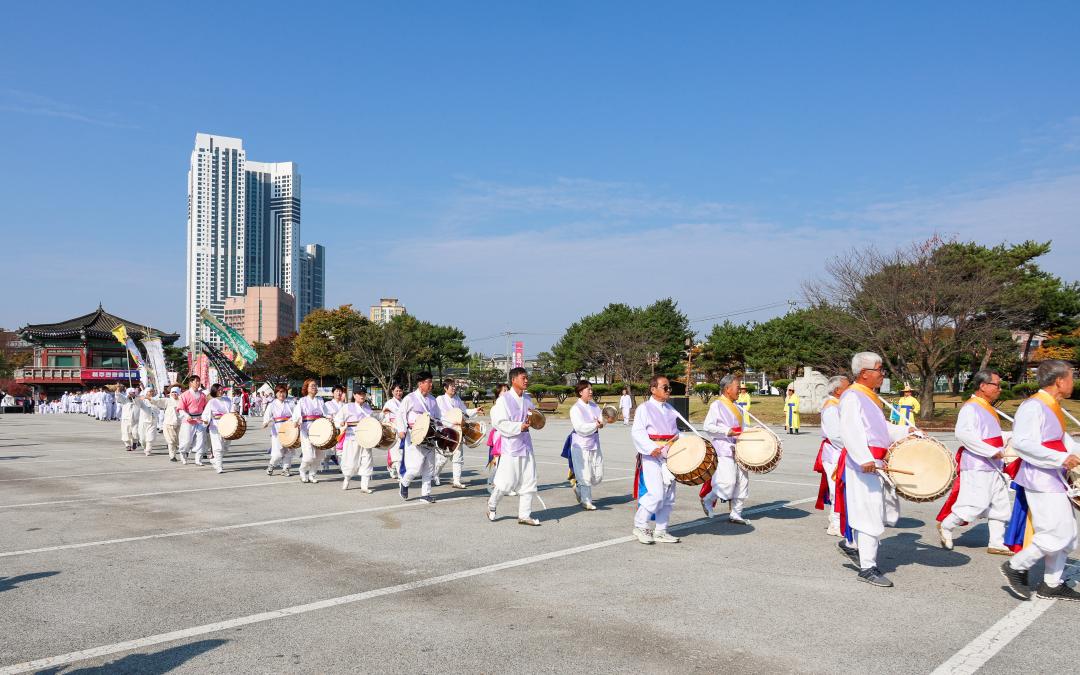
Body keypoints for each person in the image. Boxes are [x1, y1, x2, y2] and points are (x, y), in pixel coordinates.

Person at [1000, 360, 1080, 600]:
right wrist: (1062, 458)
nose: (1073, 382)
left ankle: (1051, 584)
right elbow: (1023, 443)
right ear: (1059, 381)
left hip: (1053, 477)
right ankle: (1016, 566)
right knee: (1057, 533)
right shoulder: (1033, 406)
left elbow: (1063, 442)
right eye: (1071, 377)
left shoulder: (1051, 406)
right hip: (1040, 479)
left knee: (1067, 533)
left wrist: (1069, 455)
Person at [834, 352, 914, 588]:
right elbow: (850, 430)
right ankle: (867, 567)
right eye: (879, 369)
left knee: (882, 512)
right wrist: (863, 458)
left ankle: (851, 545)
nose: (882, 373)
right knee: (869, 513)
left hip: (877, 464)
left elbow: (880, 429)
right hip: (864, 465)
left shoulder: (869, 397)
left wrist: (904, 432)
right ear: (864, 373)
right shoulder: (852, 396)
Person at [935, 370, 1013, 554]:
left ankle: (996, 542)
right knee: (975, 504)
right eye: (997, 385)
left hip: (994, 465)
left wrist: (1009, 438)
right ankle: (946, 525)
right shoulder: (970, 408)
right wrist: (991, 451)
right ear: (983, 386)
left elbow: (990, 436)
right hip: (978, 464)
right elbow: (963, 435)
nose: (1000, 389)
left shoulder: (986, 407)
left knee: (1000, 504)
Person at [630, 375, 681, 545]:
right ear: (653, 389)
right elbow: (637, 432)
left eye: (669, 388)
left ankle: (661, 530)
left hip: (670, 456)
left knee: (669, 496)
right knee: (657, 493)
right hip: (651, 456)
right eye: (665, 387)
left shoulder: (671, 409)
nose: (668, 390)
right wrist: (651, 448)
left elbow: (676, 433)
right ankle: (640, 525)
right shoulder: (644, 408)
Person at [487, 367, 541, 525]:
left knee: (529, 480)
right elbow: (499, 423)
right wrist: (519, 427)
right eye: (523, 378)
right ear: (514, 380)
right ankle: (491, 504)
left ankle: (524, 515)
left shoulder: (528, 400)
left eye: (527, 378)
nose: (526, 380)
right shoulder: (503, 400)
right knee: (506, 482)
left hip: (526, 445)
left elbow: (533, 418)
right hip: (511, 446)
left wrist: (535, 422)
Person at [700, 374, 749, 524]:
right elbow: (707, 427)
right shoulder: (717, 405)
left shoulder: (738, 407)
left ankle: (736, 513)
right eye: (737, 387)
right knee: (727, 483)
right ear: (728, 389)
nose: (739, 390)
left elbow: (743, 427)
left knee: (743, 482)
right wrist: (727, 431)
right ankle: (708, 499)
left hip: (740, 449)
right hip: (723, 448)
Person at [397, 372, 442, 502]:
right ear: (420, 383)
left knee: (429, 467)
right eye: (428, 381)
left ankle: (425, 494)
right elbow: (400, 414)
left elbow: (438, 418)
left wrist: (439, 430)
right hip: (414, 435)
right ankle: (404, 483)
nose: (431, 384)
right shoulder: (410, 398)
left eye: (431, 381)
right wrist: (401, 430)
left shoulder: (433, 400)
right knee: (415, 468)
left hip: (430, 436)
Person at [814, 376, 849, 537]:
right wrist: (854, 448)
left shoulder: (837, 405)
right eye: (847, 387)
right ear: (837, 391)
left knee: (839, 488)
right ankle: (835, 524)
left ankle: (836, 519)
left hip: (838, 452)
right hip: (835, 453)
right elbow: (835, 436)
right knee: (836, 489)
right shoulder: (831, 407)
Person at [434, 378, 483, 489]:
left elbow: (465, 411)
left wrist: (475, 410)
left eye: (454, 386)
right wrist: (451, 422)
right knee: (443, 458)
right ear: (445, 388)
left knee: (458, 457)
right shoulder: (440, 399)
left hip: (458, 431)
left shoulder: (457, 399)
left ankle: (456, 481)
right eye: (451, 386)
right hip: (445, 432)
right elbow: (438, 416)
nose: (454, 388)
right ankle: (435, 474)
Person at [566, 380, 605, 511]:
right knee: (585, 475)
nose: (591, 391)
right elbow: (580, 428)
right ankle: (586, 501)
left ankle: (578, 488)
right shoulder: (575, 409)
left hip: (594, 444)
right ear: (580, 392)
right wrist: (595, 425)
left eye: (591, 389)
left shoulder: (595, 406)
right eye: (588, 389)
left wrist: (606, 420)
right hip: (580, 446)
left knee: (598, 476)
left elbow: (601, 420)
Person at [335, 387, 375, 492]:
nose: (362, 395)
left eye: (363, 393)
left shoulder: (367, 407)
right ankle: (347, 479)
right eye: (359, 394)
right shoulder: (348, 407)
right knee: (351, 461)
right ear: (354, 395)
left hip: (366, 438)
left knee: (367, 460)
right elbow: (338, 419)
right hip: (352, 437)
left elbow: (375, 419)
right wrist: (341, 424)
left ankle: (364, 486)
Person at [291, 379, 329, 483]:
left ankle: (312, 474)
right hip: (306, 430)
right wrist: (296, 420)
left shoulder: (320, 400)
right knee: (308, 456)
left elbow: (326, 413)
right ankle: (302, 471)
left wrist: (330, 418)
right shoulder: (302, 400)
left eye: (316, 385)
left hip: (319, 429)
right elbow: (297, 414)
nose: (314, 387)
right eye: (312, 385)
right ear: (306, 388)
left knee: (319, 454)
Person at [262, 385, 295, 476]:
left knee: (288, 451)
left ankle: (286, 469)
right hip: (277, 430)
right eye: (280, 392)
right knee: (278, 452)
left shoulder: (290, 403)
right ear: (276, 393)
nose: (282, 394)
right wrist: (266, 422)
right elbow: (267, 417)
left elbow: (296, 415)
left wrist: (295, 421)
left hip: (290, 430)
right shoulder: (272, 405)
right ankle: (271, 465)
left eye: (283, 392)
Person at [201, 384, 233, 474]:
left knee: (225, 447)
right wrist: (206, 421)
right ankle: (219, 466)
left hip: (227, 426)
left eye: (222, 389)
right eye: (219, 390)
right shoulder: (212, 402)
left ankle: (214, 459)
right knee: (218, 447)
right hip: (215, 427)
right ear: (214, 391)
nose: (221, 391)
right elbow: (206, 414)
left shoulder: (228, 400)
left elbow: (233, 411)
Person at [177, 376, 208, 466]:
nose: (198, 383)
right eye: (196, 381)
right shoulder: (184, 395)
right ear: (191, 382)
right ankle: (183, 453)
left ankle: (198, 459)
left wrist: (206, 418)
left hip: (199, 420)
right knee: (186, 440)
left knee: (201, 439)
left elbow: (206, 408)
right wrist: (187, 415)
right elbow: (180, 408)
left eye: (199, 381)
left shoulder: (202, 395)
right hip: (188, 420)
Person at [485, 383, 510, 493]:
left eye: (507, 390)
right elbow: (496, 424)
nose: (506, 392)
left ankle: (507, 486)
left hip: (509, 436)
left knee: (508, 462)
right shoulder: (495, 408)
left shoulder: (510, 406)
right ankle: (491, 483)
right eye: (504, 390)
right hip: (499, 436)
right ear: (498, 393)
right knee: (496, 461)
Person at [382, 384, 405, 480]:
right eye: (396, 391)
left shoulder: (404, 402)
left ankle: (392, 467)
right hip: (394, 431)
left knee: (403, 453)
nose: (399, 393)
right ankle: (400, 474)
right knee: (396, 453)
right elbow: (386, 419)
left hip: (404, 430)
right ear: (392, 392)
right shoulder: (389, 403)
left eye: (400, 391)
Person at [322, 385, 347, 471]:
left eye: (340, 391)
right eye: (336, 391)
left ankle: (341, 466)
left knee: (341, 449)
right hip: (332, 430)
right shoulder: (327, 404)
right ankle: (325, 461)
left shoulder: (344, 405)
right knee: (331, 450)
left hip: (342, 430)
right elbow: (326, 416)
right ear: (333, 393)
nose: (339, 393)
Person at [157, 386, 182, 461]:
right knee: (171, 441)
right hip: (168, 424)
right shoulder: (167, 401)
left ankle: (183, 454)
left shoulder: (182, 401)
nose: (174, 394)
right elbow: (157, 401)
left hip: (179, 424)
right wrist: (150, 399)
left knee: (179, 441)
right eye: (173, 392)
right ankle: (172, 456)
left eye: (176, 392)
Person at [135, 388, 159, 456]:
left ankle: (148, 449)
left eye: (152, 391)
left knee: (150, 437)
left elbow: (159, 407)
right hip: (144, 422)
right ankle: (145, 447)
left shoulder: (156, 400)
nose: (151, 392)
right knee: (142, 439)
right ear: (146, 392)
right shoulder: (142, 400)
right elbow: (136, 402)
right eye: (150, 391)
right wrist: (136, 397)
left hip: (153, 421)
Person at [120, 387, 139, 451]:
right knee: (126, 432)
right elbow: (118, 396)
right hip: (126, 419)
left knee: (135, 432)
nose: (132, 394)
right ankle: (127, 445)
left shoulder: (137, 399)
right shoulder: (124, 400)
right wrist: (117, 389)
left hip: (135, 419)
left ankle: (135, 442)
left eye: (133, 393)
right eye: (131, 393)